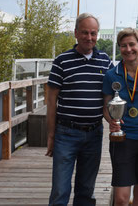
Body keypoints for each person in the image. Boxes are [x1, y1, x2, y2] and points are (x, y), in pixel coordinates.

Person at [46, 13, 114, 206]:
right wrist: (51, 136)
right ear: (76, 33)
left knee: (86, 189)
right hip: (66, 133)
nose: (89, 37)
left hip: (94, 133)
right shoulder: (62, 61)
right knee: (60, 189)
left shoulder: (105, 61)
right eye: (85, 32)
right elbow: (52, 102)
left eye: (93, 33)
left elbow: (122, 81)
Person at [102, 28, 138, 206]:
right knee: (121, 199)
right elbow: (106, 106)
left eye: (132, 44)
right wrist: (111, 120)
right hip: (123, 140)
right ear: (120, 48)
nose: (128, 49)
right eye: (124, 46)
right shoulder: (111, 74)